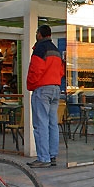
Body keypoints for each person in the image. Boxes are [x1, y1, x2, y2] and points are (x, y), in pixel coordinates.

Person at [26, 25, 65, 168]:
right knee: (52, 123)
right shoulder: (56, 50)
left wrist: (30, 86)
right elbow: (61, 72)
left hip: (42, 89)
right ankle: (52, 155)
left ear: (40, 34)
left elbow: (35, 70)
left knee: (40, 124)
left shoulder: (40, 49)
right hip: (55, 88)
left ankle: (43, 158)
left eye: (37, 32)